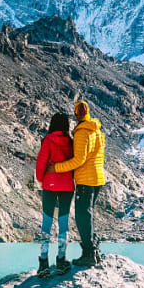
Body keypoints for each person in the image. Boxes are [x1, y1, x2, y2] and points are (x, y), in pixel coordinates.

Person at [45, 100, 106, 267]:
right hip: (98, 178)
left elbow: (79, 160)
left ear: (76, 114)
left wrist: (55, 168)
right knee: (88, 216)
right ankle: (94, 251)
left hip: (86, 180)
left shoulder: (81, 132)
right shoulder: (97, 130)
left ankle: (88, 254)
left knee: (82, 216)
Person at [34, 112, 75, 278]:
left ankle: (43, 263)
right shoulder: (71, 142)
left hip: (50, 185)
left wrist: (41, 179)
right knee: (63, 224)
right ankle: (61, 260)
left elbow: (41, 163)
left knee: (47, 223)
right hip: (67, 186)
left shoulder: (48, 140)